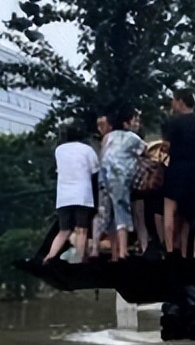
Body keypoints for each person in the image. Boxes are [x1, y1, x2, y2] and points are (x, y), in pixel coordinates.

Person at [43, 123, 99, 264]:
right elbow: (95, 170)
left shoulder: (59, 150)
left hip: (63, 196)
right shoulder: (87, 150)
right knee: (82, 229)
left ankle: (49, 256)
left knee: (64, 230)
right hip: (82, 195)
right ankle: (79, 259)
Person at [99, 107, 147, 261]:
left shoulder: (108, 137)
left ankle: (114, 252)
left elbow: (102, 155)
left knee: (110, 215)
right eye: (134, 120)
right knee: (122, 212)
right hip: (120, 178)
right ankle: (123, 252)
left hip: (104, 178)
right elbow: (147, 150)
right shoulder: (132, 138)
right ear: (126, 123)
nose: (136, 123)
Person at [161, 90, 195, 257]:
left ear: (180, 102)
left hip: (176, 168)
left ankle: (170, 249)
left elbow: (165, 146)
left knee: (170, 210)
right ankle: (189, 251)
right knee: (189, 214)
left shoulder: (172, 122)